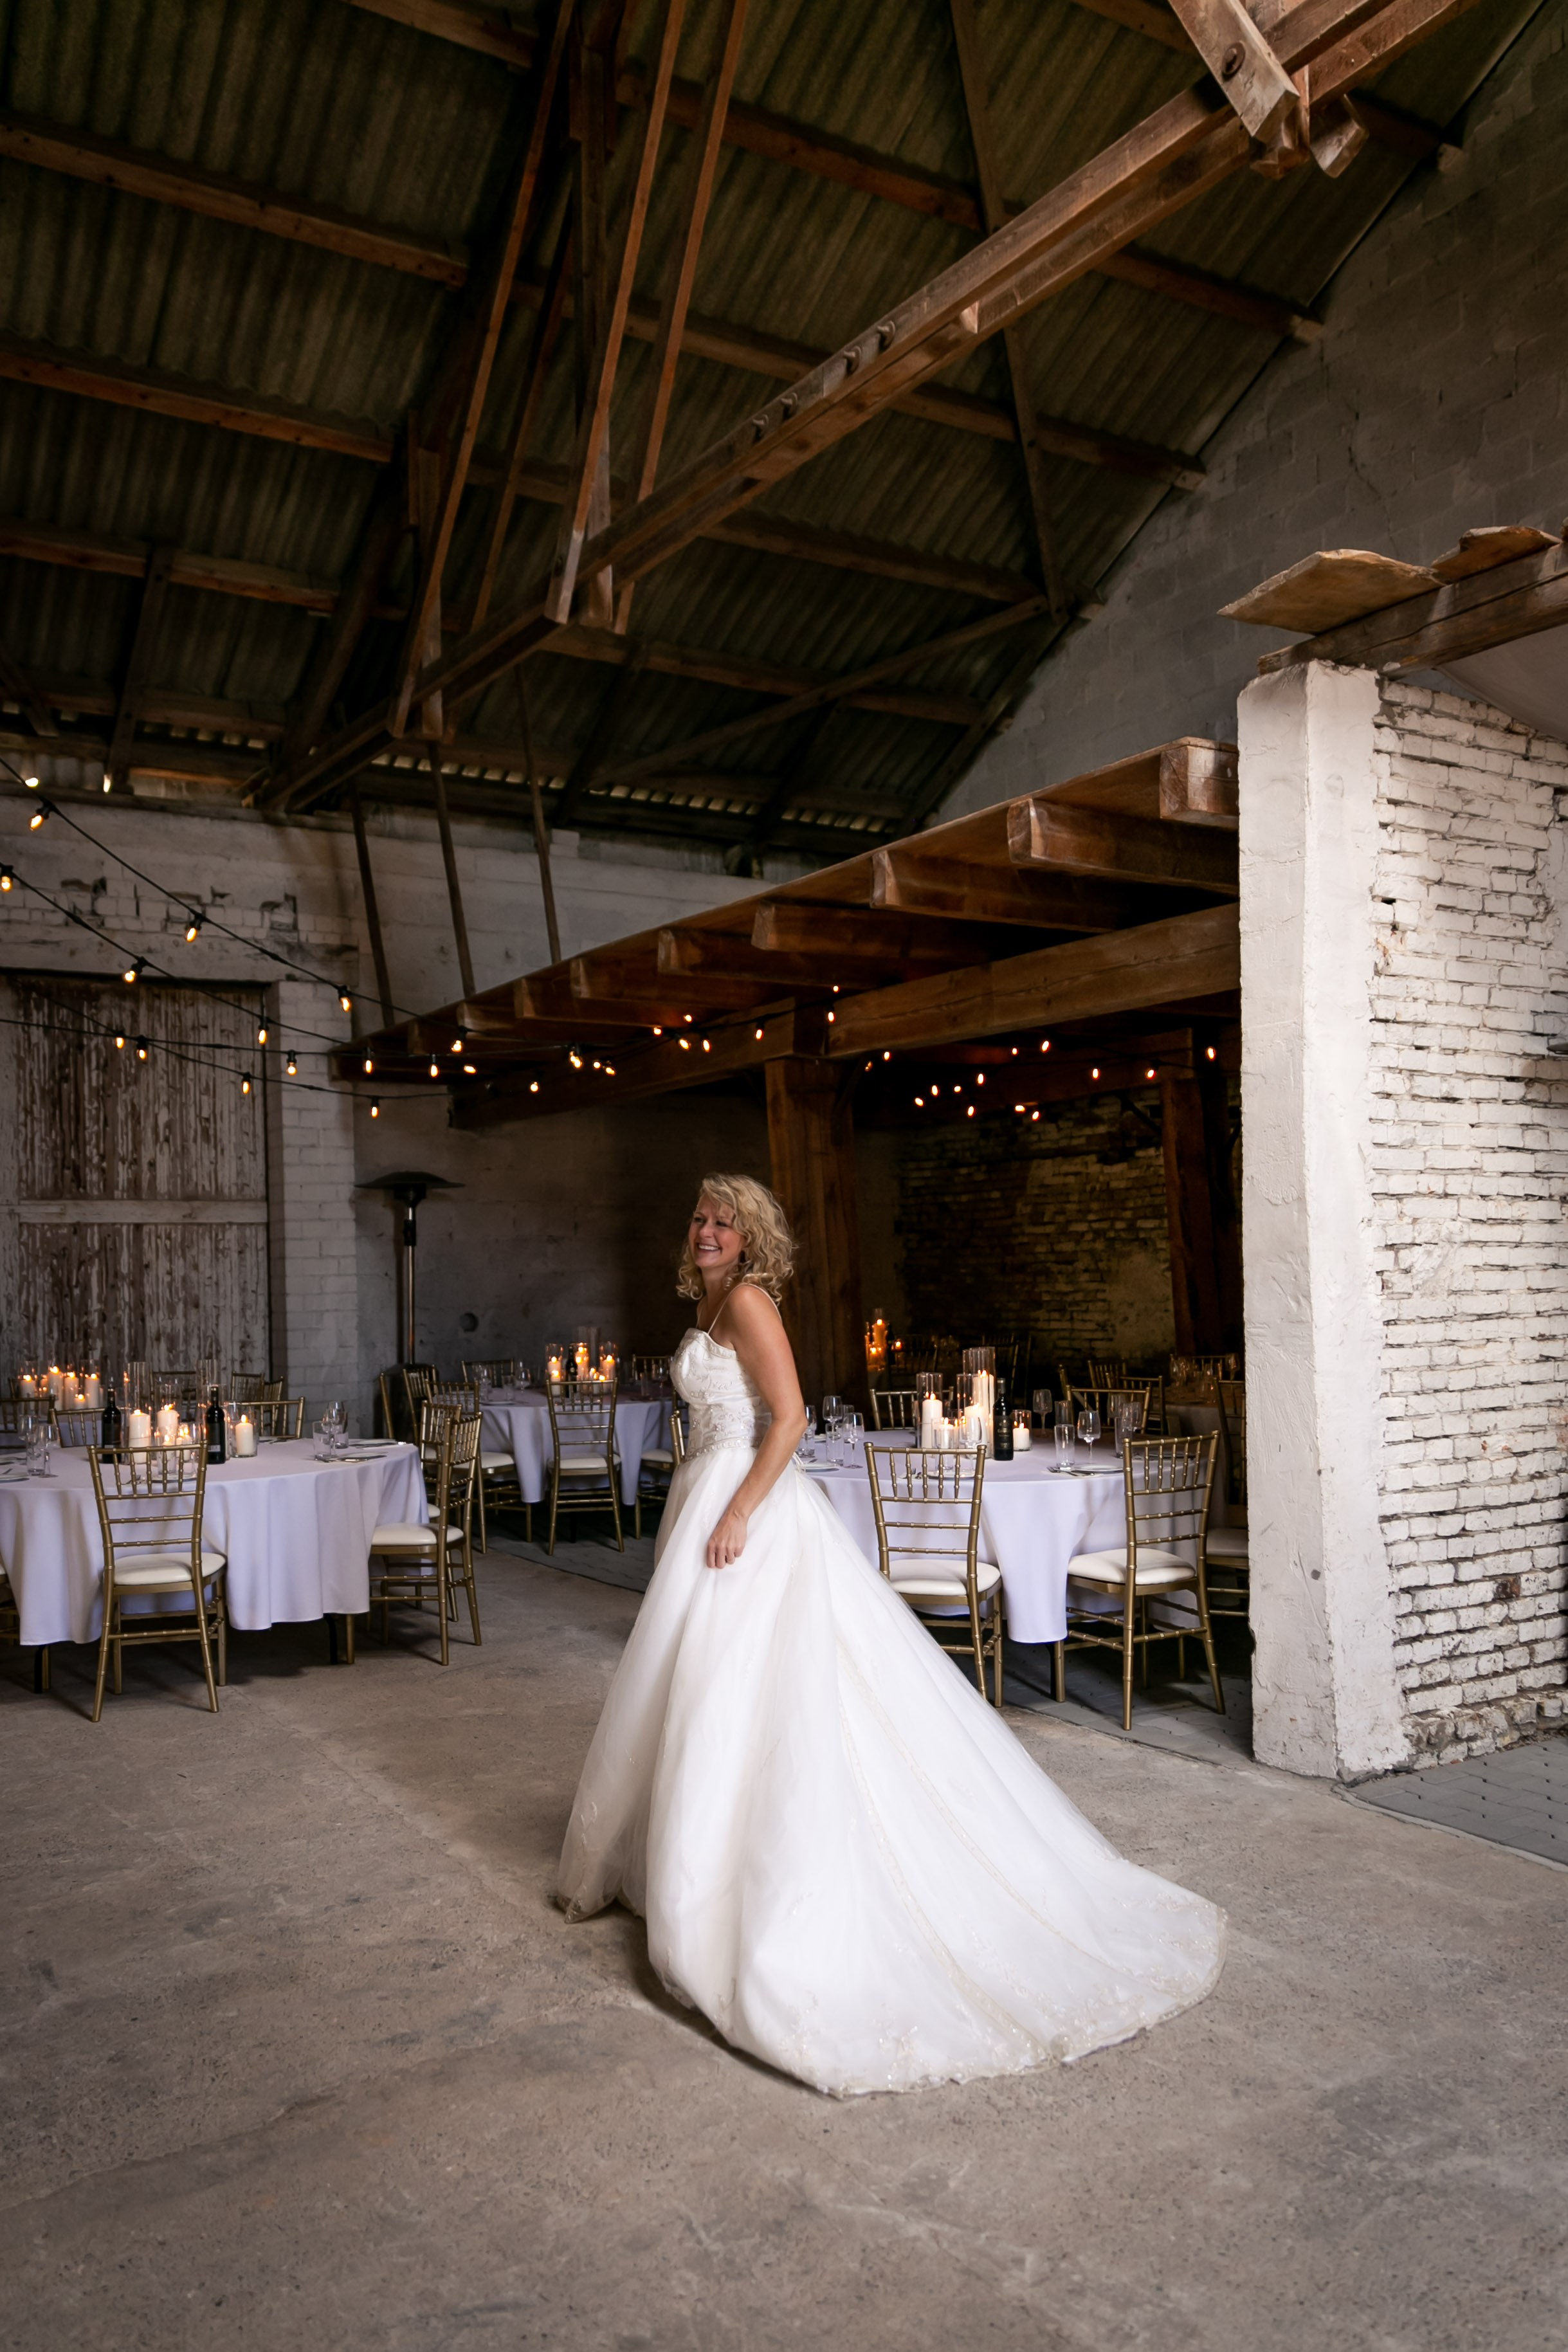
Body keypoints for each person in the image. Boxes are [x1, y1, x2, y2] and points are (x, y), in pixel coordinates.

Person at [558, 1174, 1224, 2097]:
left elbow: (787, 1418)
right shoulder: (707, 1299)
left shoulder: (747, 1300)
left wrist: (740, 1511)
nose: (707, 1231)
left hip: (744, 1505)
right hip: (703, 1491)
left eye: (724, 1222)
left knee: (745, 1684)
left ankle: (740, 1889)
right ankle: (684, 1858)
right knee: (697, 1685)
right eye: (701, 1217)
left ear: (750, 1241)